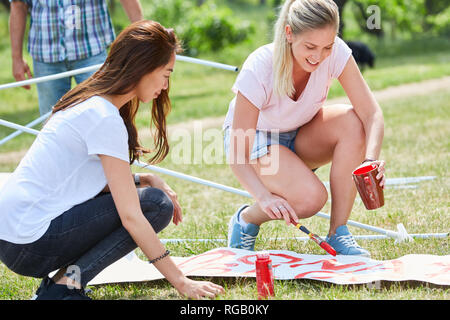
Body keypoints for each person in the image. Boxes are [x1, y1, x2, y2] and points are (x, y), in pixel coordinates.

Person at [0, 20, 224, 300]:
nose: (166, 86)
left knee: (149, 196)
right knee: (155, 205)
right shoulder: (103, 117)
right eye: (166, 74)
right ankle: (62, 289)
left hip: (14, 237)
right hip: (31, 242)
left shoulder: (88, 101)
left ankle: (60, 287)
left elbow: (86, 183)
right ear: (144, 66)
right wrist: (181, 282)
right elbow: (131, 215)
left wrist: (146, 178)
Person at [223, 0, 386, 257]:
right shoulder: (259, 66)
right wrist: (264, 198)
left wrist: (370, 161)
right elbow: (237, 154)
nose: (319, 56)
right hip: (254, 140)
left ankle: (339, 233)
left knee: (353, 123)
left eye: (327, 47)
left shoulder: (337, 53)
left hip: (300, 133)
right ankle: (246, 219)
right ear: (289, 34)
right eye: (310, 46)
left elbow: (371, 113)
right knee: (310, 199)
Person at [9, 0, 143, 116]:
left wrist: (144, 38)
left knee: (103, 113)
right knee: (50, 122)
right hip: (46, 54)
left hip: (92, 51)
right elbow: (18, 5)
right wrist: (16, 58)